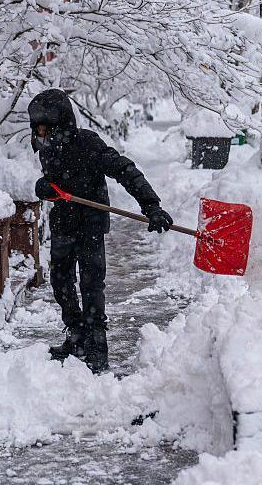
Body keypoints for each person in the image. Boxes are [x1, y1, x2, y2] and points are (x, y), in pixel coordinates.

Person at [28, 89, 173, 374]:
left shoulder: (87, 144)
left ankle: (97, 346)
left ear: (61, 121)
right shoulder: (47, 147)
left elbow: (125, 169)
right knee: (60, 281)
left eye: (45, 125)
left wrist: (151, 205)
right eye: (38, 127)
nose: (41, 131)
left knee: (92, 284)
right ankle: (76, 334)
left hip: (90, 223)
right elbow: (53, 183)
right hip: (63, 224)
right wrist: (43, 187)